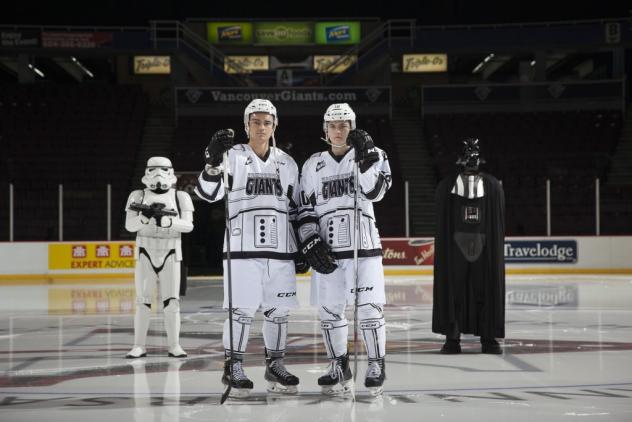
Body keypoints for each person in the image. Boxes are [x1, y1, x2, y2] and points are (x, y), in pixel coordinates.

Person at [194, 99, 306, 397]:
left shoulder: (288, 163)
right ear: (246, 125)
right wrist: (212, 163)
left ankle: (276, 365)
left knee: (279, 311)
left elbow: (296, 208)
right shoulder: (231, 156)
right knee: (240, 311)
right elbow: (207, 194)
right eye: (255, 122)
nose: (261, 127)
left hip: (280, 250)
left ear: (274, 126)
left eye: (266, 122)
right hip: (242, 249)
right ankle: (234, 366)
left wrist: (302, 244)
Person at [297, 103, 392, 395]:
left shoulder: (375, 155)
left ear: (353, 127)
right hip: (328, 250)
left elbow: (375, 192)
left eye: (344, 125)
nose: (339, 130)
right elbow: (305, 207)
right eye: (333, 126)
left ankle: (376, 364)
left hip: (364, 248)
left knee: (370, 311)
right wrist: (310, 239)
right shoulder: (313, 164)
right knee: (330, 312)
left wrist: (364, 159)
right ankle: (339, 364)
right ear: (325, 130)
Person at [432, 138, 506, 354]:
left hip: (485, 244)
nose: (471, 162)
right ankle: (452, 338)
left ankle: (488, 337)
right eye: (468, 156)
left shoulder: (492, 186)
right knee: (453, 290)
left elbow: (498, 222)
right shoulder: (447, 187)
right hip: (454, 246)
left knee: (486, 288)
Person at [125, 156, 194, 358]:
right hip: (145, 251)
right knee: (143, 301)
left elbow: (189, 226)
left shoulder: (181, 197)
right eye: (154, 169)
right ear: (146, 172)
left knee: (172, 302)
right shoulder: (137, 196)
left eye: (163, 169)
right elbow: (130, 226)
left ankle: (174, 345)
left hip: (171, 251)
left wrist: (168, 222)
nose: (158, 174)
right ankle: (139, 345)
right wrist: (145, 217)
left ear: (171, 172)